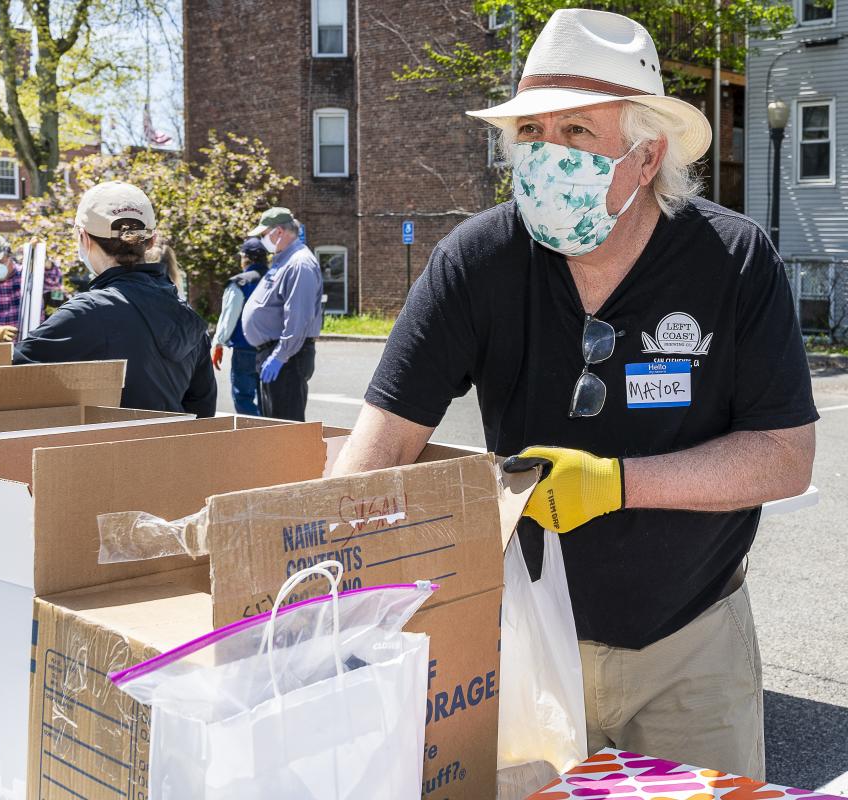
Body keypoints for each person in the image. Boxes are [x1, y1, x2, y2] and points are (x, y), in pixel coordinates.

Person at [331, 9, 816, 779]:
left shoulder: (731, 260)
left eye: (578, 134)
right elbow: (383, 443)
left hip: (693, 643)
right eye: (531, 134)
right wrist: (314, 586)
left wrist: (619, 483)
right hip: (523, 637)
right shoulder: (478, 261)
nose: (545, 158)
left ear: (648, 153)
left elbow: (784, 458)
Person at [14, 181, 216, 416]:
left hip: (106, 449)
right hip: (171, 449)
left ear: (83, 238)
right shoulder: (187, 316)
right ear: (151, 241)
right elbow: (202, 411)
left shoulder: (87, 312)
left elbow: (9, 375)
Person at [240, 207, 322, 421]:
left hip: (287, 358)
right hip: (278, 355)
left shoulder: (299, 263)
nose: (262, 239)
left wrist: (280, 356)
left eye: (263, 234)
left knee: (286, 432)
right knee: (276, 428)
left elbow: (298, 317)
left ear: (278, 232)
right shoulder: (286, 260)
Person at [212, 237, 269, 415]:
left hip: (244, 349)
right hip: (272, 348)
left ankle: (253, 435)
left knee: (243, 397)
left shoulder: (239, 283)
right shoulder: (276, 278)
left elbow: (229, 316)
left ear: (245, 258)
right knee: (267, 397)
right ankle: (271, 432)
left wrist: (218, 343)